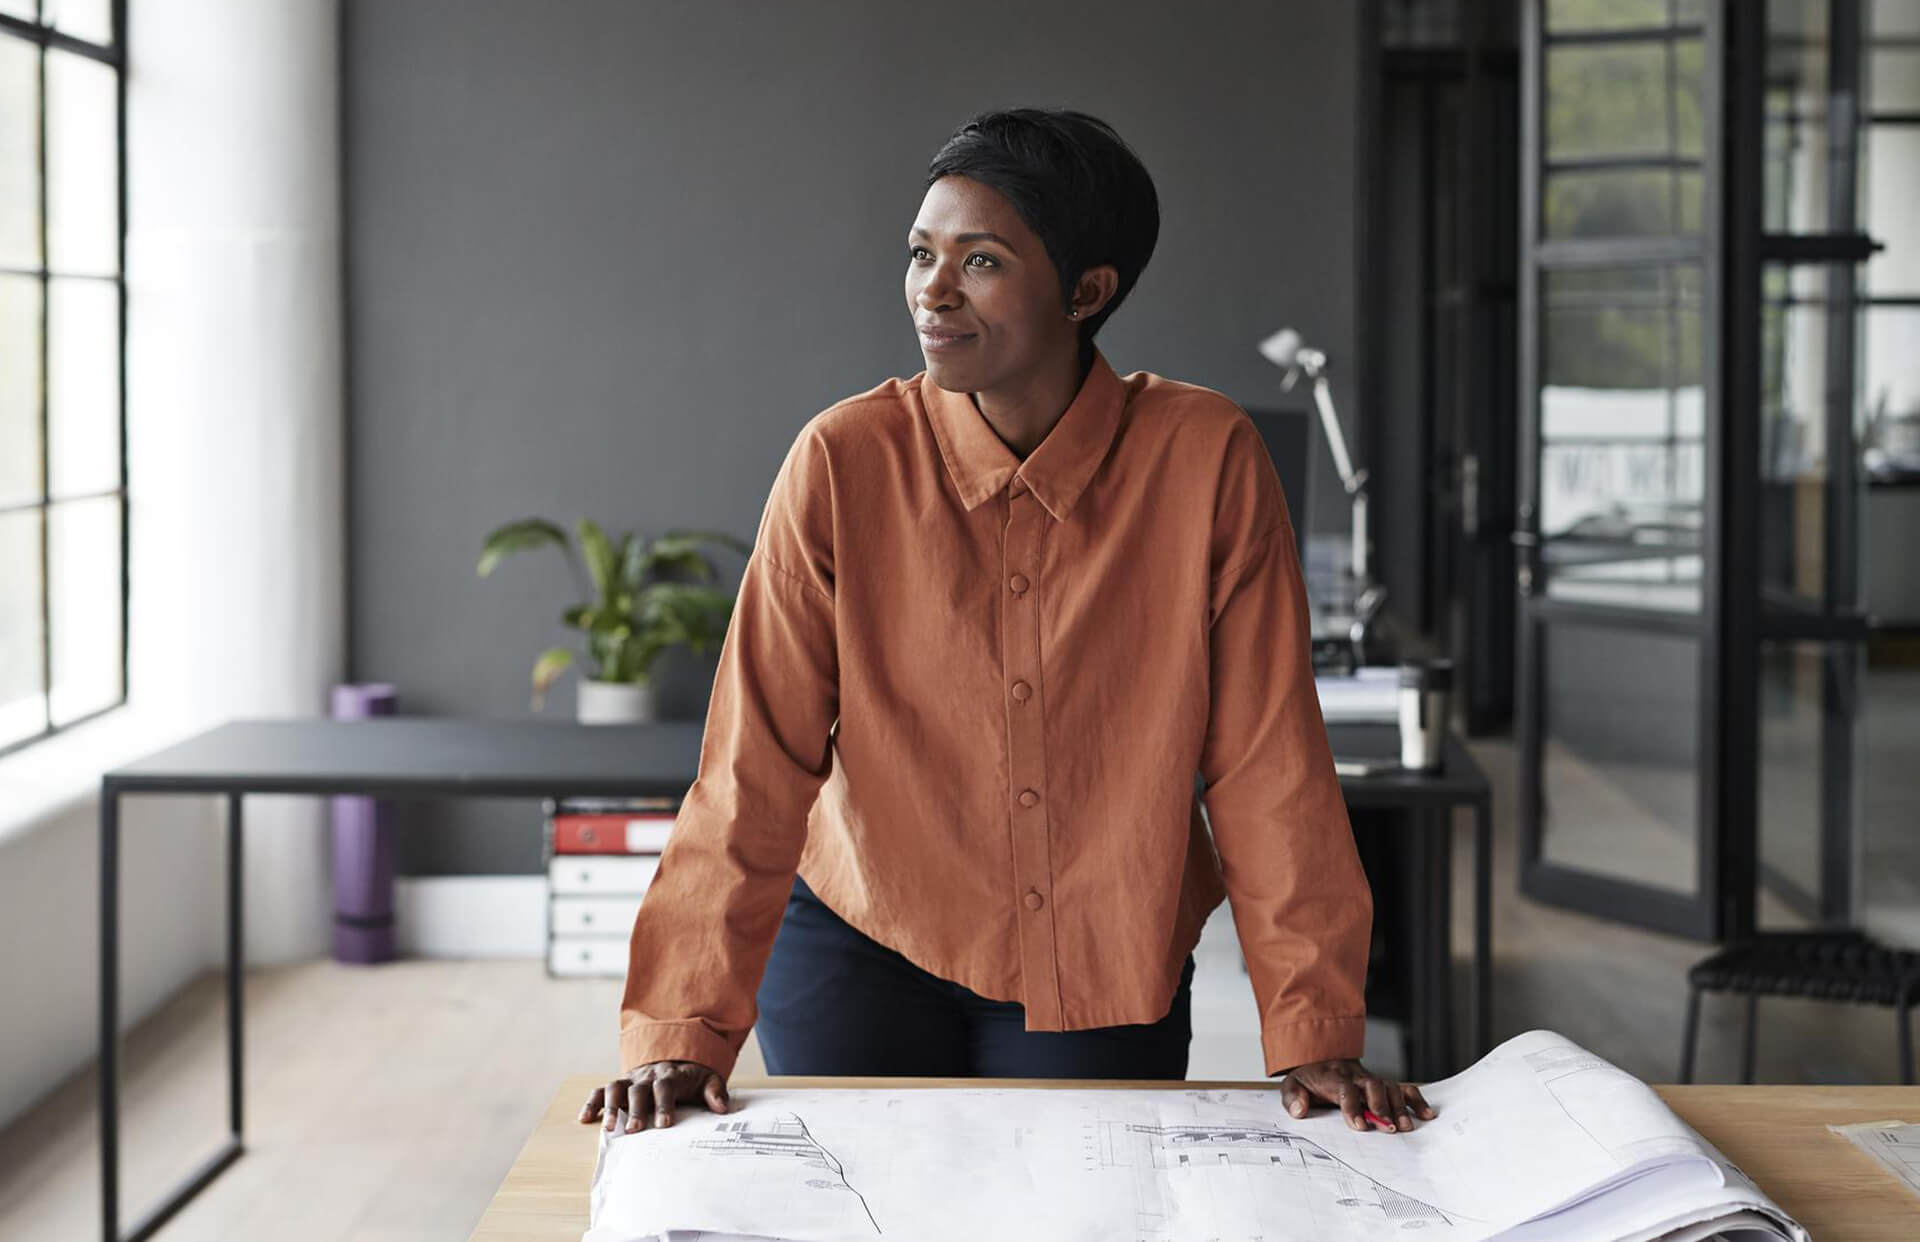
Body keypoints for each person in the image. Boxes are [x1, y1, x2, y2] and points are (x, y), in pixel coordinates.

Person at [579, 107, 1434, 1140]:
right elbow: (751, 764)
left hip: (1105, 952)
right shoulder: (842, 462)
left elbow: (1266, 759)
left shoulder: (1207, 459)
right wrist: (681, 1024)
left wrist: (1315, 1029)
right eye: (921, 254)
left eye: (979, 260)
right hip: (861, 938)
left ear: (1087, 291)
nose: (931, 291)